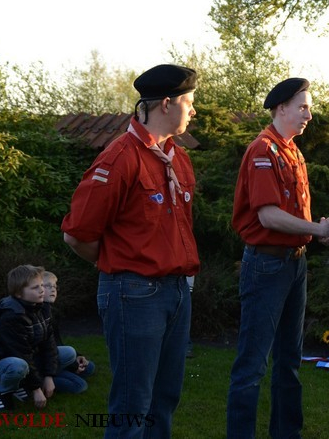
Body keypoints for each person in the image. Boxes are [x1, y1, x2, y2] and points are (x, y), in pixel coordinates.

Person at [62, 64, 200, 439]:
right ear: (167, 103)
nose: (193, 110)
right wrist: (120, 267)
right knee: (132, 405)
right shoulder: (120, 157)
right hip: (135, 294)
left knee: (164, 399)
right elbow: (76, 235)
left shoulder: (178, 158)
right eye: (189, 102)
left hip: (176, 291)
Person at [227, 78, 329, 439]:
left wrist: (317, 229)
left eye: (309, 107)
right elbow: (269, 216)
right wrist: (317, 229)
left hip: (293, 263)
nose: (309, 115)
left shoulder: (291, 151)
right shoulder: (264, 150)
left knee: (289, 359)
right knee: (253, 364)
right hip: (268, 264)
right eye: (303, 107)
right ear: (281, 108)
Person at [0, 264, 58, 412]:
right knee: (19, 366)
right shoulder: (12, 316)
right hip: (3, 363)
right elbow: (21, 354)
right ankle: (1, 391)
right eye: (35, 287)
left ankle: (19, 384)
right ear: (18, 293)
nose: (42, 290)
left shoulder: (42, 307)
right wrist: (36, 389)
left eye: (41, 285)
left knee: (67, 352)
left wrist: (49, 376)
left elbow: (49, 345)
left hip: (28, 357)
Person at [41, 271, 96, 393]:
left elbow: (57, 342)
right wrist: (73, 365)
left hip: (55, 357)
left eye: (55, 286)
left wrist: (78, 356)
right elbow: (48, 350)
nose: (53, 289)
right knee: (79, 385)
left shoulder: (51, 311)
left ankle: (61, 371)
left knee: (89, 367)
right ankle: (42, 381)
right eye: (48, 286)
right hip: (44, 362)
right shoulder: (39, 315)